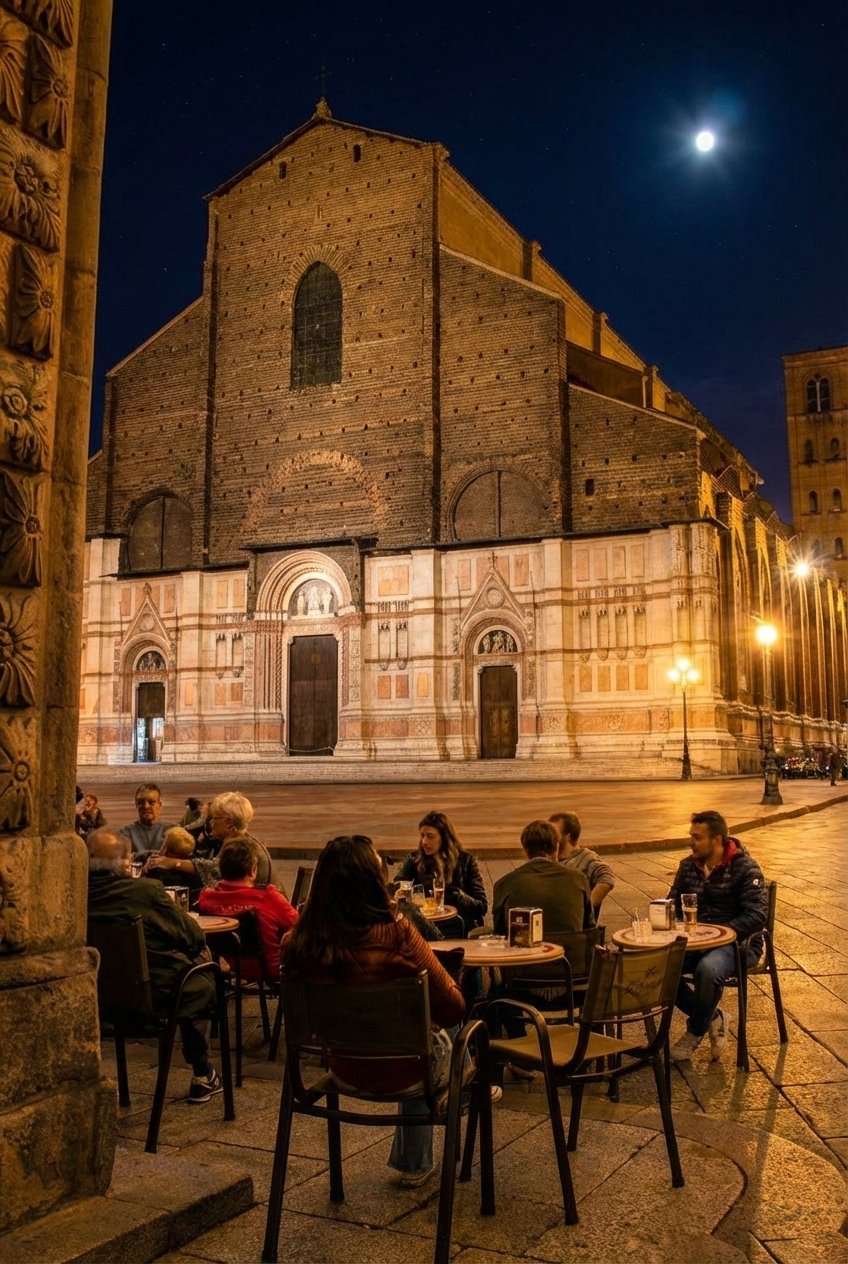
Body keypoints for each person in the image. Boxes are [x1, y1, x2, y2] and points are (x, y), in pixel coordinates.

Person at [280, 835, 466, 1188]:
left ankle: (425, 1146)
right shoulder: (398, 935)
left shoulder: (297, 944)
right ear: (374, 882)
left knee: (418, 1034)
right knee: (446, 1031)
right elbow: (454, 1008)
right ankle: (465, 1095)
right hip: (407, 1072)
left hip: (342, 1066)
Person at [85, 828, 223, 1103]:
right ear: (125, 863)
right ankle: (201, 1070)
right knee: (200, 972)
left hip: (99, 995)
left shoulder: (78, 896)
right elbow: (192, 936)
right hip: (157, 993)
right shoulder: (146, 892)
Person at [668, 810, 768, 1063]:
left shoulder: (745, 867)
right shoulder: (688, 866)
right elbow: (672, 903)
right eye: (691, 836)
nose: (691, 842)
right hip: (695, 942)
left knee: (708, 969)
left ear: (717, 840)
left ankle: (694, 1031)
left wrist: (722, 932)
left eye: (697, 837)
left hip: (738, 945)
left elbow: (757, 914)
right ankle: (713, 1017)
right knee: (659, 967)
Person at [197, 836, 298, 979]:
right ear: (253, 870)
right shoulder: (268, 897)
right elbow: (299, 925)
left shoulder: (206, 898)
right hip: (268, 969)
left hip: (222, 967)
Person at [147, 791, 272, 888]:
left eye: (215, 818)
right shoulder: (236, 841)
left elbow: (216, 869)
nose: (211, 822)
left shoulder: (241, 846)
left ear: (229, 823)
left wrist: (173, 863)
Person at [493, 820, 594, 936]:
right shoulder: (578, 879)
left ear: (525, 849)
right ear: (556, 847)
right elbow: (589, 928)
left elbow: (500, 933)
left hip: (523, 947)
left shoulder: (505, 883)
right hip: (570, 947)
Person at [396, 811, 487, 935]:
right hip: (423, 926)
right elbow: (398, 889)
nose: (424, 842)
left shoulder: (465, 861)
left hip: (457, 925)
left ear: (444, 838)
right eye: (422, 836)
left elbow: (481, 907)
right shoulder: (414, 860)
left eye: (430, 836)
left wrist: (459, 896)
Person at [548, 811, 616, 912]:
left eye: (554, 833)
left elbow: (606, 877)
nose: (549, 836)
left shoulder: (585, 859)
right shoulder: (548, 856)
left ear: (568, 836)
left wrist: (585, 908)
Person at [120, 783, 175, 855]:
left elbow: (186, 858)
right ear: (136, 805)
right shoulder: (125, 833)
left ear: (160, 804)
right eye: (141, 802)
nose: (146, 806)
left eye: (152, 802)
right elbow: (120, 858)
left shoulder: (173, 831)